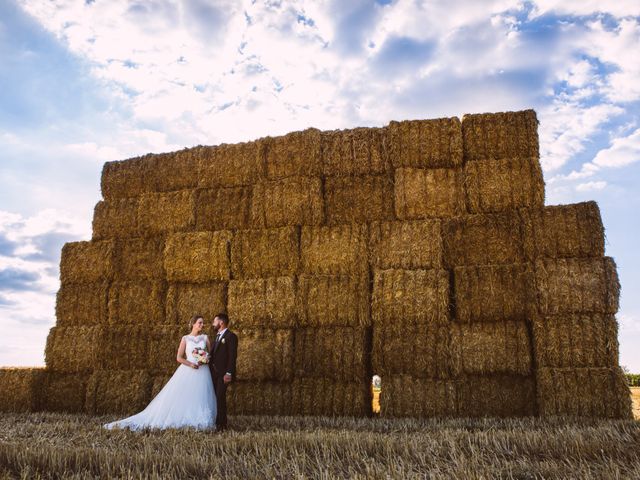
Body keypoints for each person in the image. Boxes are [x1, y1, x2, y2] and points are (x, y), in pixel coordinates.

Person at [104, 315, 217, 431]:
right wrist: (190, 364)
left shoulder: (205, 338)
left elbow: (211, 354)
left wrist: (205, 360)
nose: (202, 325)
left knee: (200, 395)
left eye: (203, 323)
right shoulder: (185, 339)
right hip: (189, 369)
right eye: (200, 323)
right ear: (193, 324)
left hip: (203, 371)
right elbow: (179, 358)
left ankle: (200, 420)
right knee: (184, 395)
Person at [210, 313, 237, 432]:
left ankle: (222, 425)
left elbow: (232, 356)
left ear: (221, 322)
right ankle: (216, 422)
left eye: (214, 321)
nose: (213, 324)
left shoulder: (231, 336)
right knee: (214, 397)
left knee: (220, 397)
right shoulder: (216, 336)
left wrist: (229, 373)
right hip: (212, 373)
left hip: (223, 374)